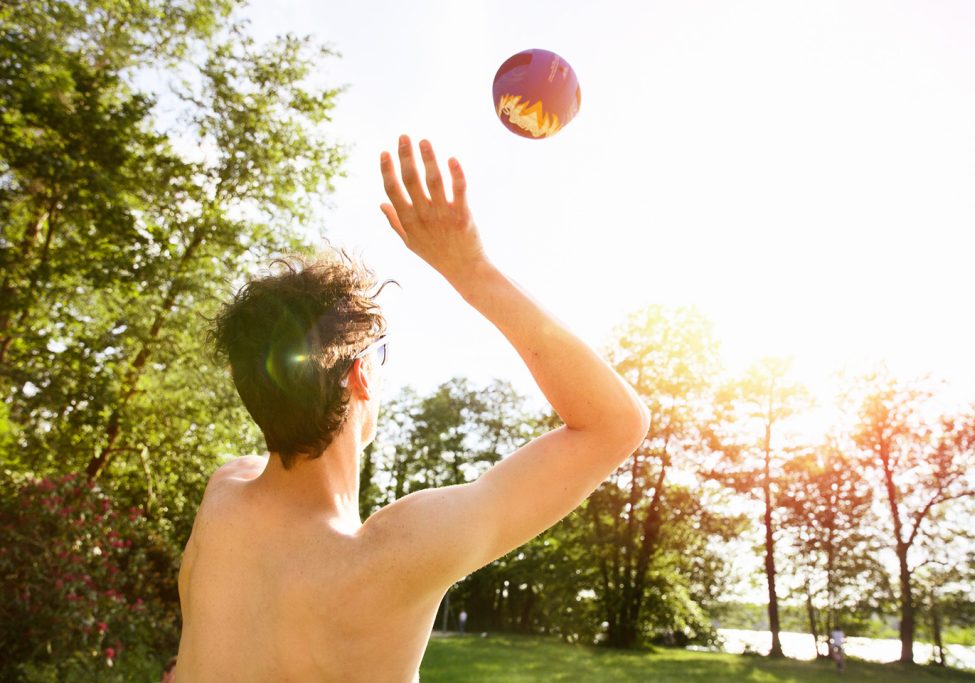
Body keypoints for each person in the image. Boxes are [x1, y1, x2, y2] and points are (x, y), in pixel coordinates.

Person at [174, 135, 650, 682]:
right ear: (360, 376)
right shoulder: (397, 557)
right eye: (381, 355)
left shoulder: (222, 502)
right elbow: (616, 423)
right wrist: (470, 268)